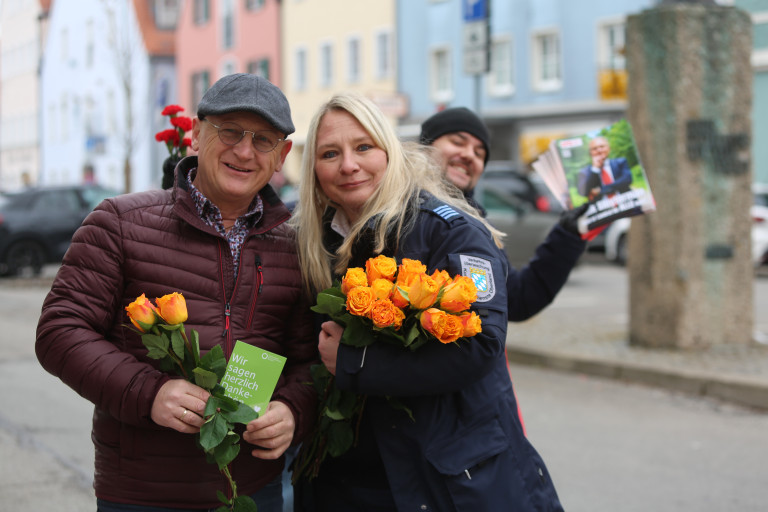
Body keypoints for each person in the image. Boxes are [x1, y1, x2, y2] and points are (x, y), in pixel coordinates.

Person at [35, 73, 318, 512]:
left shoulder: (295, 247)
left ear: (281, 156)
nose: (244, 151)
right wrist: (150, 393)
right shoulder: (121, 222)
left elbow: (308, 360)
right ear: (195, 135)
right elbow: (60, 331)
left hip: (251, 488)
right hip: (144, 490)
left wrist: (293, 412)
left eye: (263, 140)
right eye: (229, 131)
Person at [290, 93, 563, 511]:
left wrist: (356, 362)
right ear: (314, 170)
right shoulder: (313, 244)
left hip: (446, 479)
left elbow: (482, 344)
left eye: (364, 147)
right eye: (330, 153)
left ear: (391, 152)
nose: (348, 164)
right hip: (341, 480)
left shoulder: (451, 232)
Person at [420, 107, 587, 321]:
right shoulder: (394, 209)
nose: (470, 154)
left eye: (479, 153)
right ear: (424, 148)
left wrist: (567, 236)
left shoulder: (479, 228)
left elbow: (517, 300)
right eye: (458, 142)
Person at [577, 135, 633, 202]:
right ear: (590, 153)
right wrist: (595, 169)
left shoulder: (620, 162)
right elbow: (583, 192)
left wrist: (602, 190)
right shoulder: (584, 172)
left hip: (627, 203)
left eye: (602, 146)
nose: (599, 150)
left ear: (609, 148)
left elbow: (627, 180)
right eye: (594, 148)